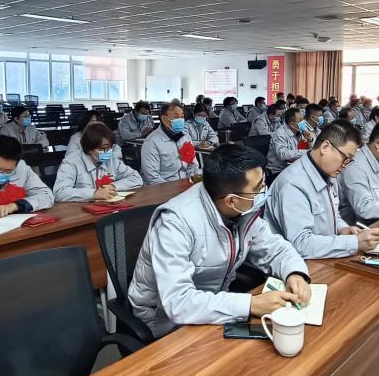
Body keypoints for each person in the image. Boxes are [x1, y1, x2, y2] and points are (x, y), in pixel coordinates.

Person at [128, 144, 311, 338]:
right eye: (258, 189)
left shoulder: (243, 211)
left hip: (214, 308)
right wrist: (251, 304)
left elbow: (275, 249)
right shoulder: (175, 223)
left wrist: (295, 273)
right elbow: (178, 303)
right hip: (164, 322)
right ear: (231, 200)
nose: (264, 192)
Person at [266, 119, 379, 258]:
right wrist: (354, 242)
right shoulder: (293, 185)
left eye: (350, 161)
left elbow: (332, 213)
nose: (346, 165)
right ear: (325, 147)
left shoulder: (327, 172)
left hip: (321, 254)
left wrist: (343, 228)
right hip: (296, 263)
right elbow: (301, 244)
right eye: (346, 158)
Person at [53, 123, 142, 203]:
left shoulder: (111, 159)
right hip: (81, 210)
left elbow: (136, 178)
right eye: (104, 148)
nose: (108, 152)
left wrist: (113, 186)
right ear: (90, 149)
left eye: (111, 148)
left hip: (108, 206)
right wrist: (94, 194)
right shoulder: (71, 162)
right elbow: (59, 192)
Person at [140, 101, 199, 184]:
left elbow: (193, 164)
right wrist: (171, 189)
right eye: (176, 117)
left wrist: (191, 181)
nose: (181, 120)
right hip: (164, 186)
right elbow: (152, 177)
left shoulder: (185, 137)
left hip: (185, 183)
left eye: (182, 117)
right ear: (165, 119)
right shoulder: (152, 142)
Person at [266, 107, 312, 175]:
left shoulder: (301, 131)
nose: (304, 122)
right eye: (301, 120)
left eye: (303, 118)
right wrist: (306, 152)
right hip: (278, 172)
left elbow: (310, 150)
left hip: (293, 167)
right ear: (292, 124)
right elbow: (283, 154)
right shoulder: (280, 134)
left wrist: (310, 140)